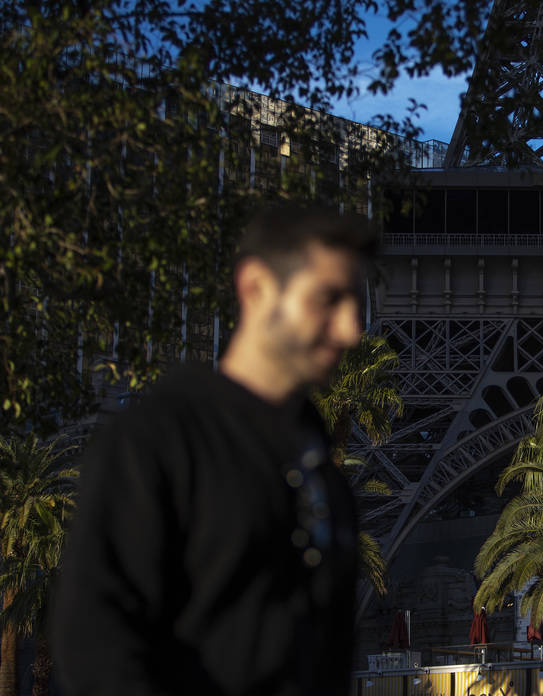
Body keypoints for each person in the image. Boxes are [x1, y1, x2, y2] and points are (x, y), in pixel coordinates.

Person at [52, 205, 376, 695]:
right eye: (328, 299)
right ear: (256, 288)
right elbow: (96, 652)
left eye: (357, 303)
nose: (351, 329)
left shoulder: (327, 482)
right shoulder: (157, 440)